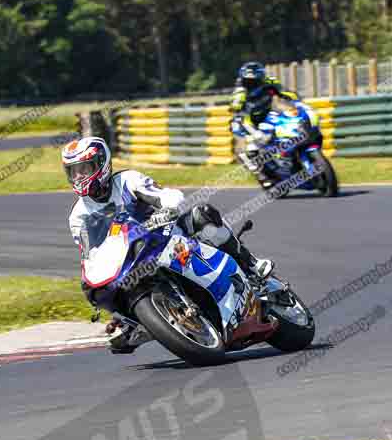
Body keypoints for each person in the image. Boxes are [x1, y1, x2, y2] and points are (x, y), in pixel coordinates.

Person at [62, 136, 274, 353]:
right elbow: (92, 253)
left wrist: (168, 207)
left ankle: (251, 264)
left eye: (84, 168)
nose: (79, 176)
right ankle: (138, 321)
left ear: (101, 164)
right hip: (130, 258)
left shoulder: (127, 180)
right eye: (73, 171)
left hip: (164, 234)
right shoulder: (77, 216)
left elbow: (163, 195)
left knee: (202, 215)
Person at [230, 62, 313, 187]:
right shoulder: (240, 92)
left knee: (289, 127)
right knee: (250, 150)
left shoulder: (270, 82)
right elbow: (237, 111)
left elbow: (285, 92)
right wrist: (245, 126)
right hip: (250, 122)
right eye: (248, 81)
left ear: (262, 77)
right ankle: (263, 177)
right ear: (242, 79)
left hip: (269, 114)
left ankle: (294, 157)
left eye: (255, 81)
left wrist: (294, 99)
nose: (252, 84)